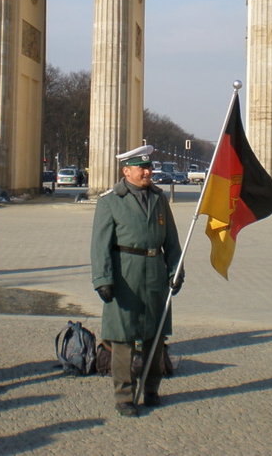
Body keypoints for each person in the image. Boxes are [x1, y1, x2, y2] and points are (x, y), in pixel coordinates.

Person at [91, 144, 182, 417]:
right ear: (126, 170)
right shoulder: (110, 201)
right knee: (123, 339)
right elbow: (100, 245)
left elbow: (173, 242)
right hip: (125, 273)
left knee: (155, 336)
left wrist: (175, 271)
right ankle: (124, 396)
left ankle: (152, 390)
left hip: (154, 270)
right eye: (141, 168)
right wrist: (102, 279)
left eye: (148, 167)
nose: (147, 172)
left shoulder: (159, 198)